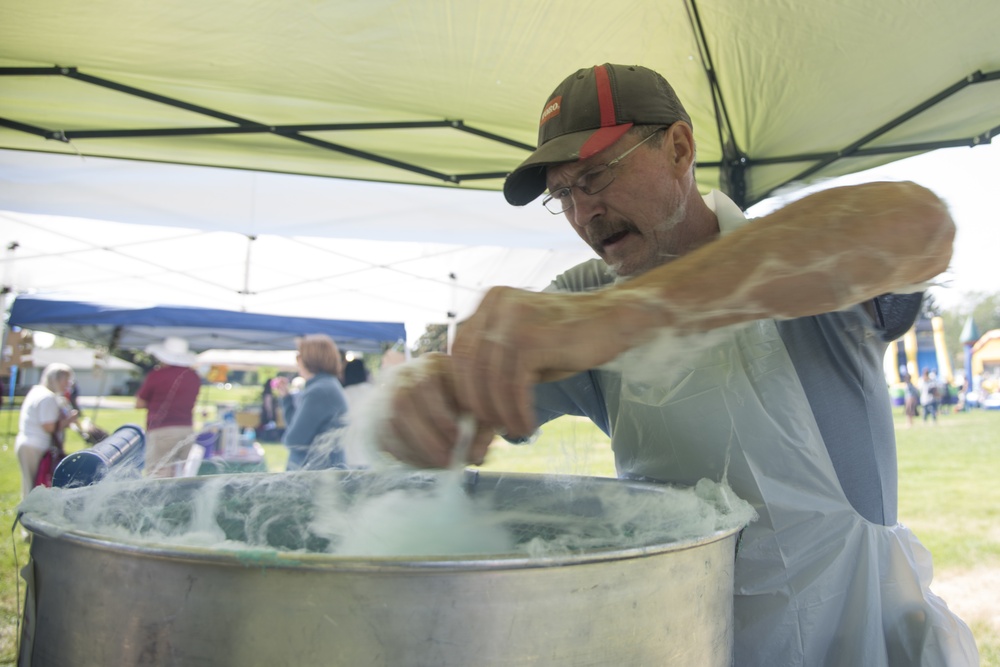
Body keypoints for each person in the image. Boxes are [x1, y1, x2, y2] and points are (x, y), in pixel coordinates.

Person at [374, 64, 977, 665]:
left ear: (680, 148)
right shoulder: (583, 292)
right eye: (564, 195)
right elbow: (463, 382)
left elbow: (919, 225)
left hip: (852, 638)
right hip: (685, 638)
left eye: (596, 175)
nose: (585, 213)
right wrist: (423, 391)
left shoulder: (801, 254)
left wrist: (620, 317)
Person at [274, 334, 348, 471]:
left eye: (299, 356)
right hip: (324, 473)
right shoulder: (326, 385)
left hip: (317, 475)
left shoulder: (319, 391)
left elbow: (294, 441)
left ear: (309, 360)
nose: (297, 362)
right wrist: (286, 398)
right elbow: (297, 430)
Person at [136, 336, 202, 477]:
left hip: (163, 429)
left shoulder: (157, 375)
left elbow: (139, 403)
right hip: (186, 429)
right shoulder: (194, 376)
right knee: (180, 475)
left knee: (158, 476)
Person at [15, 363, 78, 500]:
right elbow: (48, 427)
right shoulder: (47, 397)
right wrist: (69, 420)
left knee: (31, 485)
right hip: (35, 446)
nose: (68, 384)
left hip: (29, 443)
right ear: (56, 379)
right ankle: (29, 511)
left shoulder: (38, 391)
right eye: (66, 380)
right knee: (32, 488)